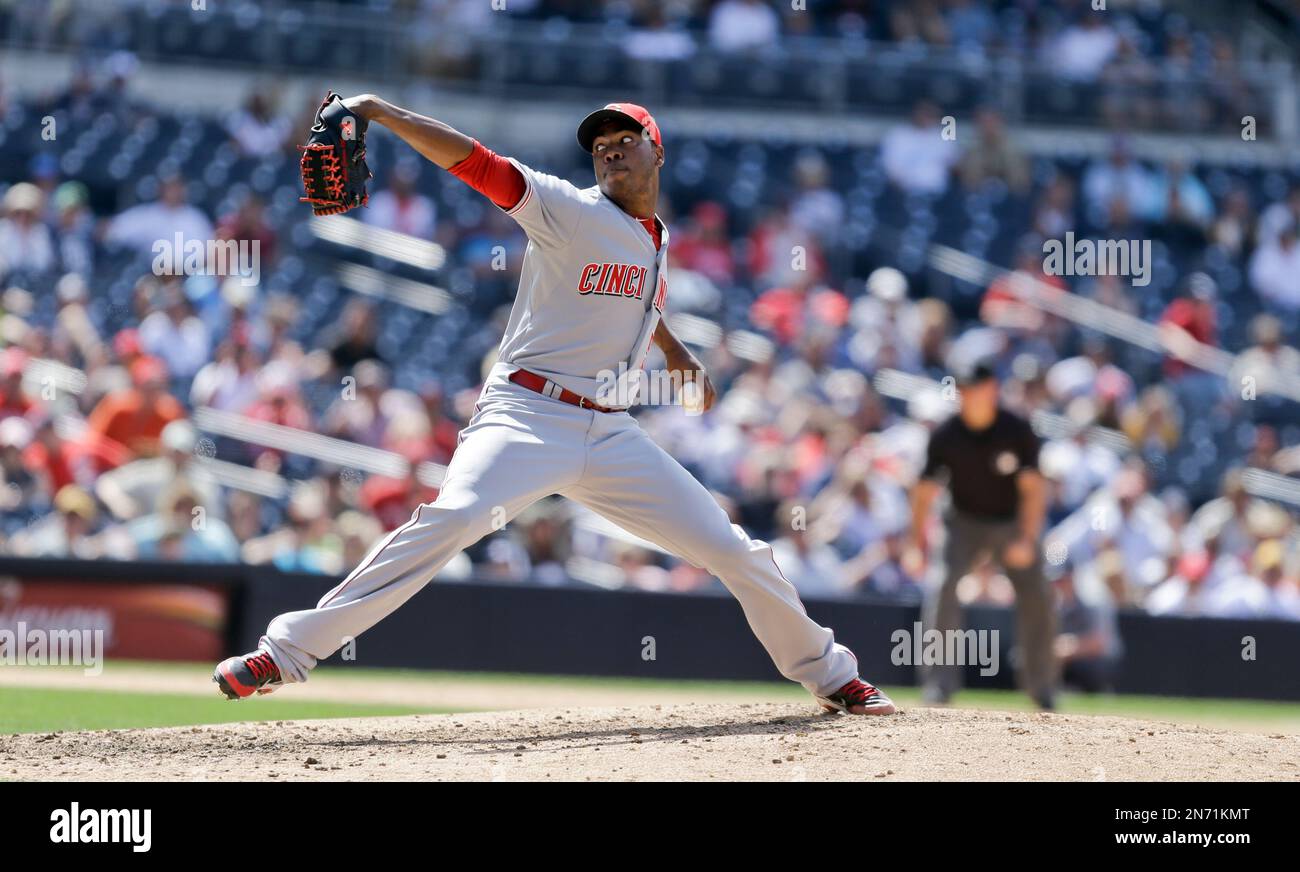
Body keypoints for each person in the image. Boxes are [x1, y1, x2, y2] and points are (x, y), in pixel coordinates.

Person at [214, 98, 895, 716]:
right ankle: (287, 651)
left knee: (735, 549)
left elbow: (633, 298)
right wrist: (381, 113)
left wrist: (677, 350)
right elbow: (477, 164)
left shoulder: (654, 236)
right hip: (527, 415)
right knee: (453, 517)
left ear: (658, 152)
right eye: (599, 143)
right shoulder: (569, 210)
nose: (609, 149)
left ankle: (832, 676)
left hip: (609, 431)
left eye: (625, 139)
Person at [906, 356, 1057, 708]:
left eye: (973, 388)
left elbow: (1034, 490)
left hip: (1009, 522)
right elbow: (924, 492)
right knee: (943, 585)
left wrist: (1027, 538)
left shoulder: (1016, 430)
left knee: (1038, 595)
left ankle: (1042, 687)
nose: (966, 395)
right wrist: (915, 542)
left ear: (992, 390)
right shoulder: (946, 435)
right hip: (961, 522)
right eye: (962, 389)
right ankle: (939, 685)